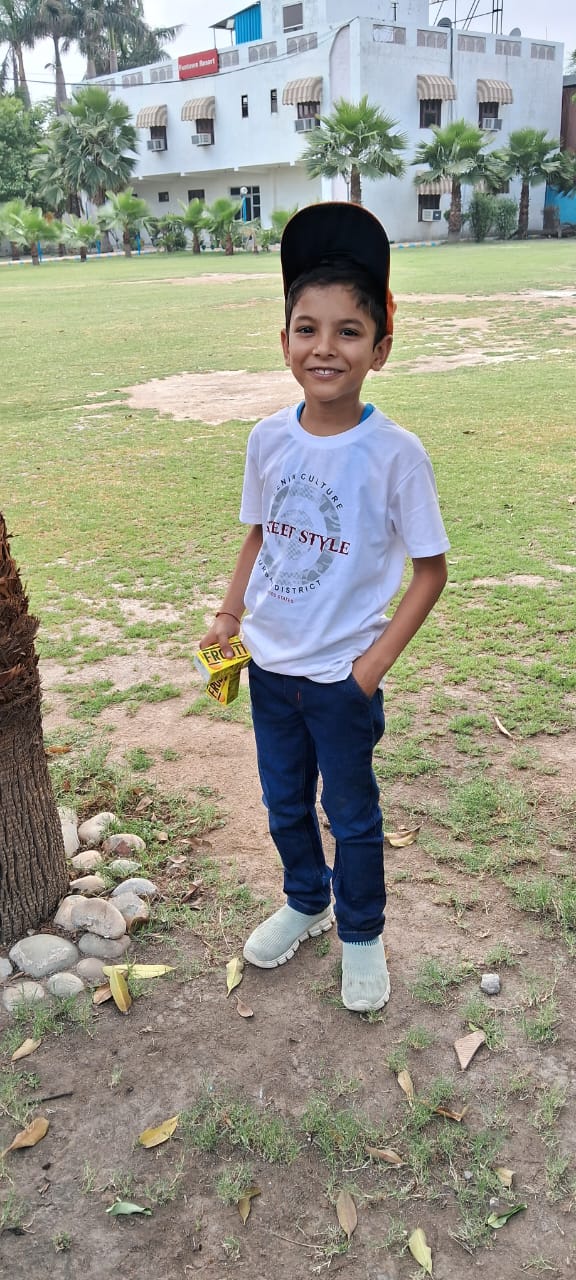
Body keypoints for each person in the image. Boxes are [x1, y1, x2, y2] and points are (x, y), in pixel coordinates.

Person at [200, 202, 449, 1012]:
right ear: (284, 343)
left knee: (352, 814)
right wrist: (229, 617)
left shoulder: (396, 454)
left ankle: (362, 933)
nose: (325, 348)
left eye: (349, 331)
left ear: (381, 346)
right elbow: (260, 536)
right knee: (283, 803)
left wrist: (368, 670)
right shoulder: (267, 439)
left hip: (342, 680)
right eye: (307, 329)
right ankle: (308, 900)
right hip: (268, 670)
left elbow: (431, 572)